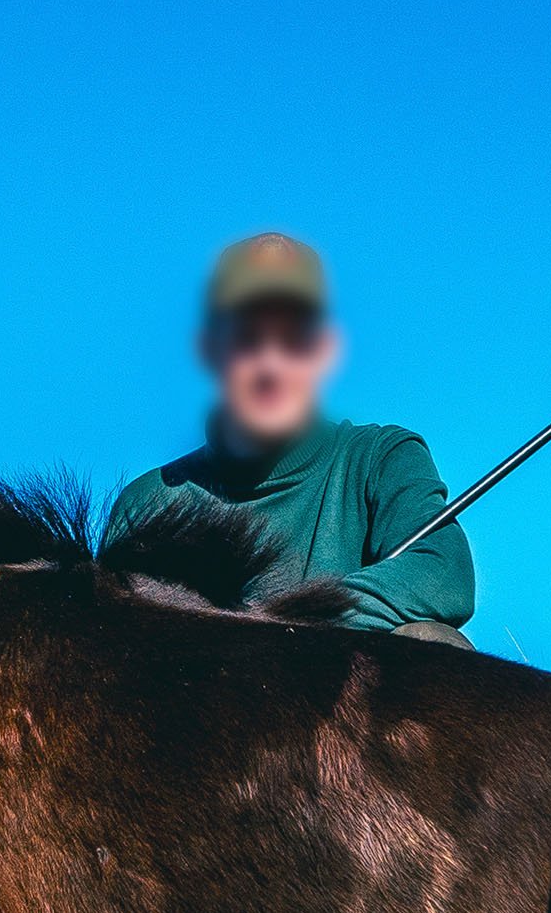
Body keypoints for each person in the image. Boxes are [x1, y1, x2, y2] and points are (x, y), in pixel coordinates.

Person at [102, 231, 477, 642]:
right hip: (198, 701)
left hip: (344, 703)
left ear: (323, 351)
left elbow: (443, 570)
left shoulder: (381, 458)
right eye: (247, 340)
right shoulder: (146, 504)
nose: (271, 365)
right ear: (212, 351)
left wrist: (285, 627)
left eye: (293, 341)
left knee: (432, 641)